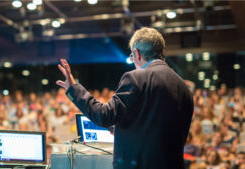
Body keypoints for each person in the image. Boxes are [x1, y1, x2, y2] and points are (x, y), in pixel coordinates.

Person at [56, 27, 194, 169]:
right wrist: (120, 129)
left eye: (132, 57)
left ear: (137, 53)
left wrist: (73, 88)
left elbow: (103, 116)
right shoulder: (183, 87)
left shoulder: (136, 77)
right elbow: (157, 129)